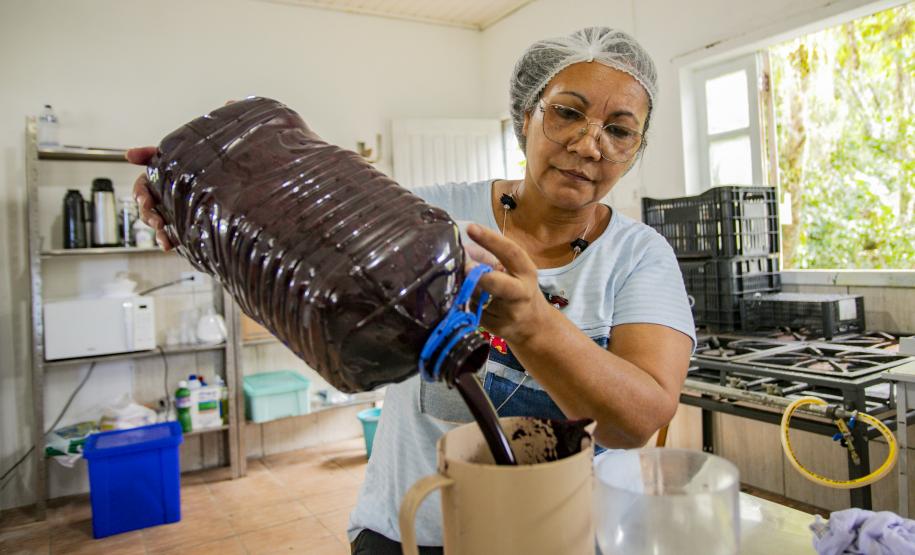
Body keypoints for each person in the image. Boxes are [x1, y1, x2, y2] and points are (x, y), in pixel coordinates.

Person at [130, 26, 695, 554]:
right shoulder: (428, 215)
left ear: (635, 150)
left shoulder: (639, 256)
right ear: (527, 116)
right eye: (567, 112)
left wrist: (531, 322)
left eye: (619, 130)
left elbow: (634, 423)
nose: (589, 145)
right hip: (409, 528)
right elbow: (287, 233)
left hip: (555, 535)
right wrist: (205, 190)